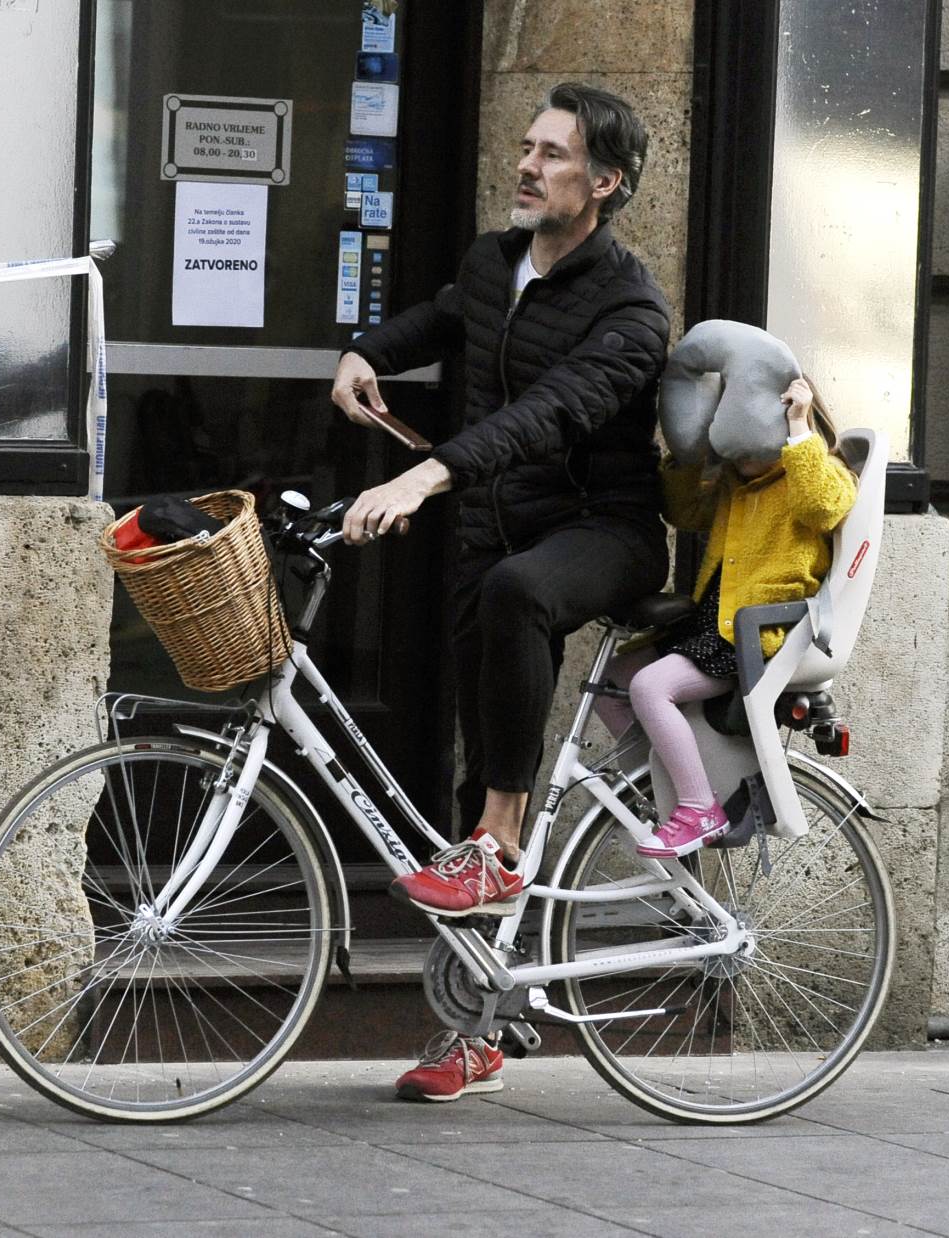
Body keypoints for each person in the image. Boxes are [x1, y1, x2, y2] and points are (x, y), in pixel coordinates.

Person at [329, 82, 671, 1101]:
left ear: (604, 184)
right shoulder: (495, 260)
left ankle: (503, 836)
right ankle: (481, 1021)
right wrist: (364, 352)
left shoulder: (631, 306)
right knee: (466, 742)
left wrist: (425, 475)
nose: (527, 163)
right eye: (526, 146)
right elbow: (442, 321)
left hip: (598, 536)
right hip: (492, 532)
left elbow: (553, 415)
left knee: (520, 605)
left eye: (554, 154)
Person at [596, 362, 857, 857]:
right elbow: (683, 511)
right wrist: (692, 455)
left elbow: (822, 506)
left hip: (749, 637)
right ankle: (660, 781)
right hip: (709, 624)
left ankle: (697, 806)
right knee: (617, 679)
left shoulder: (822, 472)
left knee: (651, 686)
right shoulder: (737, 485)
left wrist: (799, 430)